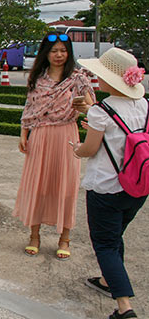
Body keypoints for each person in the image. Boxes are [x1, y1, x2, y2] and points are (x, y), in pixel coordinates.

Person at [72, 47, 146, 319]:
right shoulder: (145, 106)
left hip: (106, 187)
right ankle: (107, 281)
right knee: (115, 238)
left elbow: (90, 149)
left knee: (104, 244)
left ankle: (124, 307)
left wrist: (76, 148)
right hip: (137, 187)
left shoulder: (102, 110)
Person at [13, 32, 94, 259]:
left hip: (66, 134)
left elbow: (91, 107)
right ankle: (34, 236)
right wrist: (23, 133)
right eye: (54, 50)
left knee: (65, 186)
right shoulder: (38, 78)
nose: (59, 55)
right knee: (38, 185)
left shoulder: (78, 78)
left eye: (63, 50)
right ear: (45, 54)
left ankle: (64, 238)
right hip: (40, 135)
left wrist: (82, 106)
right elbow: (29, 108)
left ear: (69, 53)